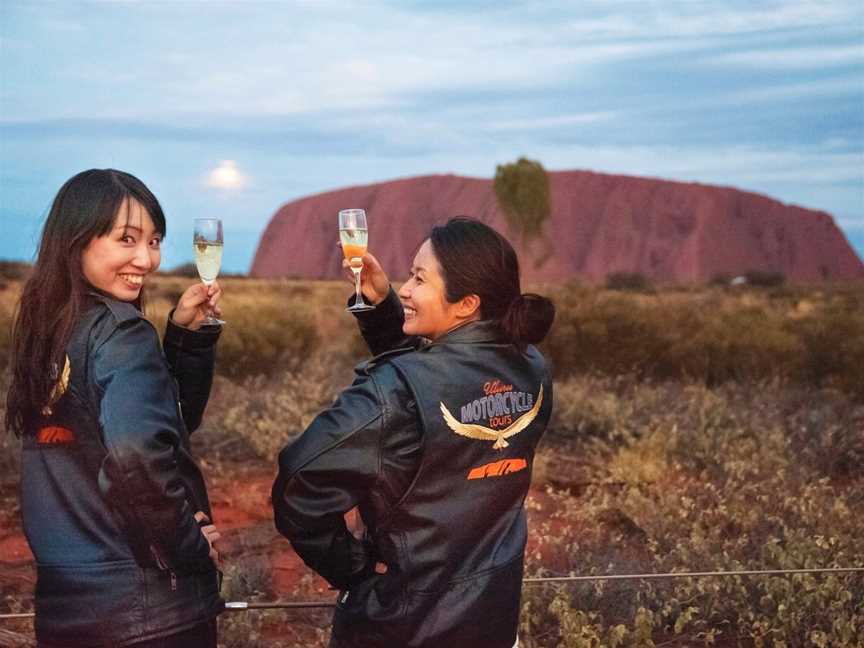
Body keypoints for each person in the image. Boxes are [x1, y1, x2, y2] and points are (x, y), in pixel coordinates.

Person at [272, 217, 555, 648]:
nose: (405, 288)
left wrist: (356, 571)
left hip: (402, 627)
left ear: (466, 304)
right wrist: (384, 306)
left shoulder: (392, 393)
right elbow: (441, 378)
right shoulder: (531, 368)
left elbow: (299, 482)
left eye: (418, 279)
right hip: (493, 621)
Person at [5, 169, 225, 647]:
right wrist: (187, 549)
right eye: (127, 239)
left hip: (70, 612)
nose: (146, 259)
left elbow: (162, 427)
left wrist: (184, 341)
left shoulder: (51, 334)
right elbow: (138, 458)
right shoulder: (122, 333)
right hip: (148, 615)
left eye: (155, 241)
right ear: (78, 240)